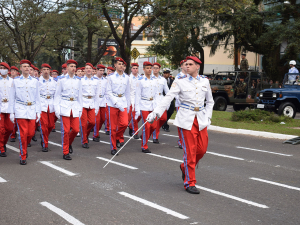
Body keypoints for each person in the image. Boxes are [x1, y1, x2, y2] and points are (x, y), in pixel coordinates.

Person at [146, 56, 214, 194]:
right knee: (190, 151)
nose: (187, 66)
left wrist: (208, 116)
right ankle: (190, 182)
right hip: (186, 119)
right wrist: (156, 112)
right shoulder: (179, 81)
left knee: (201, 150)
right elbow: (168, 97)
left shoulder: (205, 81)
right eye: (186, 64)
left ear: (197, 67)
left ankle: (184, 167)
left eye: (190, 64)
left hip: (200, 119)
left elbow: (210, 101)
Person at [8, 59, 41, 165]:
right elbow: (12, 97)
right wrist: (11, 112)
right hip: (20, 109)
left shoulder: (35, 81)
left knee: (31, 133)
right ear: (21, 68)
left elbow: (38, 97)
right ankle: (23, 155)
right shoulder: (16, 81)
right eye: (24, 66)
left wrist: (38, 112)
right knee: (23, 134)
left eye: (28, 66)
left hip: (31, 109)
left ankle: (24, 149)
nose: (27, 68)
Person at [54, 59, 82, 160]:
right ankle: (65, 152)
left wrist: (80, 110)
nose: (73, 68)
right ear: (67, 68)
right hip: (64, 107)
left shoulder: (78, 81)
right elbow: (57, 96)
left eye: (74, 67)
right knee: (65, 131)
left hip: (74, 106)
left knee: (75, 129)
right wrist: (57, 110)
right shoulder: (61, 80)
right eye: (71, 66)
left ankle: (69, 143)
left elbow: (80, 97)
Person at [106, 57, 130, 155]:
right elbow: (108, 92)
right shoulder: (110, 77)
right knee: (113, 127)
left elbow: (128, 92)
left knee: (124, 124)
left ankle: (117, 137)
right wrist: (116, 103)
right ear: (115, 65)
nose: (121, 66)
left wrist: (128, 105)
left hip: (123, 101)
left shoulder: (127, 77)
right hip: (113, 103)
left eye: (122, 64)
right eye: (119, 64)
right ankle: (113, 147)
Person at [135, 61, 158, 153]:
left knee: (154, 126)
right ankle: (144, 146)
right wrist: (137, 109)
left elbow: (156, 94)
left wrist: (157, 106)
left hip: (153, 105)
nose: (149, 70)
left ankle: (145, 136)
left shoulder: (154, 80)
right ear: (143, 69)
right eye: (147, 68)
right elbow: (137, 95)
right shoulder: (140, 80)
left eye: (150, 68)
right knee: (147, 126)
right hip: (144, 105)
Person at [79, 63, 99, 149]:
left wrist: (97, 107)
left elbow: (97, 95)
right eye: (86, 68)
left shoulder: (96, 81)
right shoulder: (81, 81)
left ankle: (85, 134)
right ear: (84, 70)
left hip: (92, 103)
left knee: (92, 122)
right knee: (83, 124)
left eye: (90, 68)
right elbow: (79, 94)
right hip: (83, 102)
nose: (88, 70)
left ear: (92, 70)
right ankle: (84, 141)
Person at [38, 63, 57, 152]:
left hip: (51, 104)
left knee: (50, 125)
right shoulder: (38, 82)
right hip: (42, 104)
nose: (46, 71)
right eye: (44, 69)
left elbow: (56, 95)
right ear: (41, 71)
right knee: (44, 125)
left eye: (47, 69)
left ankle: (44, 136)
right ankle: (45, 144)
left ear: (50, 71)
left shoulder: (54, 82)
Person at [152, 62, 169, 144]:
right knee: (155, 119)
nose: (155, 69)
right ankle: (155, 137)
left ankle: (154, 130)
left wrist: (168, 102)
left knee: (163, 118)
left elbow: (167, 91)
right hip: (152, 100)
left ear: (159, 69)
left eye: (157, 68)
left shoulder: (163, 79)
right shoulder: (149, 78)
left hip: (161, 99)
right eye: (154, 68)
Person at [0, 62, 14, 157]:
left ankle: (4, 142)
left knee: (9, 129)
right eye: (1, 68)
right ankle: (1, 148)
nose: (2, 69)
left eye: (4, 68)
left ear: (7, 69)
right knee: (1, 130)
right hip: (0, 107)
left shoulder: (12, 81)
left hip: (9, 107)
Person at [93, 64, 107, 142]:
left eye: (103, 71)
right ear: (97, 70)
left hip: (103, 100)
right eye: (100, 70)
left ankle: (96, 130)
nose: (101, 72)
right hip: (96, 100)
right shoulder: (93, 79)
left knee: (102, 119)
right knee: (97, 119)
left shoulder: (105, 80)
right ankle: (95, 134)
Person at [128, 63, 141, 139]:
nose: (135, 69)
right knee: (134, 116)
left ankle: (130, 126)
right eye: (134, 68)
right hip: (132, 99)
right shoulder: (129, 78)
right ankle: (135, 132)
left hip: (140, 99)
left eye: (136, 68)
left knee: (140, 115)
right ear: (131, 69)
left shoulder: (141, 77)